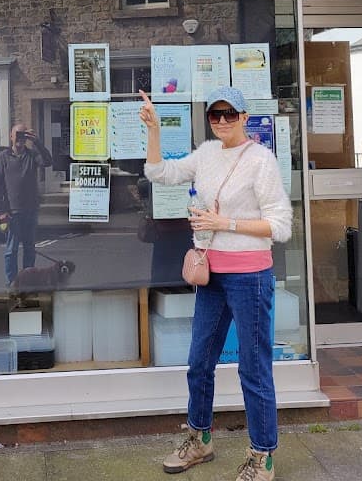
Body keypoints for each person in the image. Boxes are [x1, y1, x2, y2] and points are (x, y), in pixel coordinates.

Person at [140, 86, 292, 481]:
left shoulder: (261, 160)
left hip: (250, 276)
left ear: (244, 117)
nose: (222, 121)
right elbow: (160, 172)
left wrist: (225, 223)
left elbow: (280, 225)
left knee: (253, 368)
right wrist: (153, 131)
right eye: (215, 115)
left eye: (230, 114)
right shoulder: (207, 153)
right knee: (199, 361)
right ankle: (200, 439)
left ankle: (263, 456)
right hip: (211, 275)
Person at [0, 122, 53, 287]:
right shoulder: (2, 158)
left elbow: (48, 161)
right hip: (12, 213)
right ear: (11, 137)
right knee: (11, 250)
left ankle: (28, 280)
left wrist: (38, 142)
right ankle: (11, 281)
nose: (20, 138)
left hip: (30, 210)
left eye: (23, 135)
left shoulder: (32, 155)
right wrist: (0, 212)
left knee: (29, 248)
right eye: (17, 135)